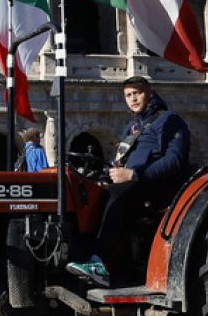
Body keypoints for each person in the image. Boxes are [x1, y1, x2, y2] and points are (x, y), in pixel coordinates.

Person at [67, 77, 191, 287]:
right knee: (90, 193)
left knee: (114, 196)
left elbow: (175, 160)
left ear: (149, 93)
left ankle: (99, 263)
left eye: (137, 93)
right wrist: (105, 177)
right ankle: (82, 255)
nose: (133, 99)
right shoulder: (131, 128)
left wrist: (134, 175)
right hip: (132, 185)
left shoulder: (169, 120)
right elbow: (118, 160)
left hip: (158, 187)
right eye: (128, 95)